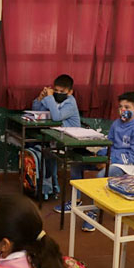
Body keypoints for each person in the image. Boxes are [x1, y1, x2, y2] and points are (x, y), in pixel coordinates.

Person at [71, 91, 134, 232]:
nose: (123, 110)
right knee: (77, 164)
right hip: (110, 158)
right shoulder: (116, 124)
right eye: (121, 107)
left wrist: (108, 161)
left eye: (127, 107)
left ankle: (94, 212)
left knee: (101, 176)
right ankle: (75, 200)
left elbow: (133, 157)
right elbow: (109, 144)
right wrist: (99, 156)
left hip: (127, 166)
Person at [33, 74, 81, 202]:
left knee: (48, 153)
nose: (58, 93)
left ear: (70, 92)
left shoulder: (70, 102)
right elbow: (36, 110)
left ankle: (51, 185)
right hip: (56, 138)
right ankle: (50, 185)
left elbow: (56, 116)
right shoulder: (52, 99)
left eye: (62, 92)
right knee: (43, 151)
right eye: (56, 90)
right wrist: (41, 97)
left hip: (70, 140)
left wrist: (50, 98)